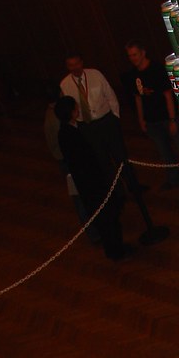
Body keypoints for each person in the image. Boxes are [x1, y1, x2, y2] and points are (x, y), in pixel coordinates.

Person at [54, 95, 134, 261]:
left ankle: (117, 247)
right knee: (106, 220)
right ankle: (115, 252)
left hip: (93, 183)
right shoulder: (68, 135)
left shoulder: (70, 130)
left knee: (110, 218)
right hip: (92, 185)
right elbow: (84, 162)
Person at [59, 53, 142, 196]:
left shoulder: (95, 75)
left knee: (120, 155)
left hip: (106, 121)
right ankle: (116, 192)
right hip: (87, 126)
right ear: (68, 67)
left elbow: (110, 95)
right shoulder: (65, 84)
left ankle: (134, 186)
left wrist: (115, 117)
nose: (75, 67)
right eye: (71, 65)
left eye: (77, 63)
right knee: (102, 160)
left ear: (82, 62)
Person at [125, 40, 179, 189]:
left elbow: (168, 95)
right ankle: (173, 179)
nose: (133, 58)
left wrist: (172, 119)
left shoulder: (157, 69)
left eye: (135, 54)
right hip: (152, 120)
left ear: (143, 53)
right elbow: (138, 98)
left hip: (166, 117)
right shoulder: (132, 74)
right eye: (130, 56)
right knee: (164, 152)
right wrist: (141, 120)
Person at [44, 84, 101, 243]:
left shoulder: (52, 116)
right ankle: (94, 233)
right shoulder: (58, 120)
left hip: (69, 161)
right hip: (70, 163)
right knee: (81, 199)